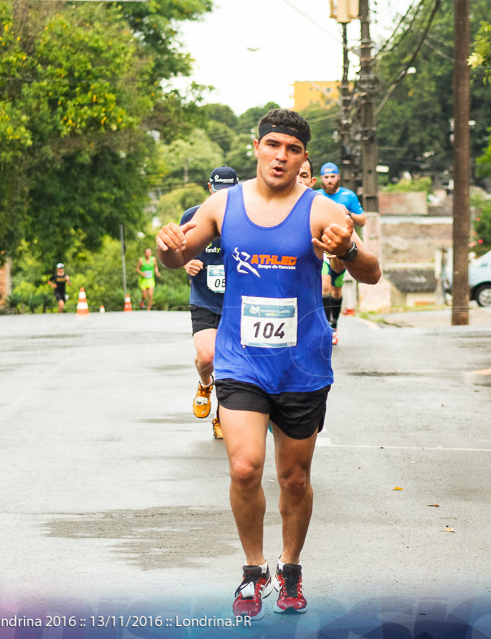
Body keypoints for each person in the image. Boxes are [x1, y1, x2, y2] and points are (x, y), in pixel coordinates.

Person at [156, 109, 381, 620]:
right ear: (256, 146)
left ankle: (291, 568)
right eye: (273, 144)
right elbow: (176, 257)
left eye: (293, 149)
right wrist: (167, 249)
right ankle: (254, 570)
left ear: (303, 157)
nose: (281, 155)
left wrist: (346, 250)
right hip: (241, 362)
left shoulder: (321, 211)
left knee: (295, 479)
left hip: (301, 365)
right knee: (243, 468)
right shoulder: (223, 205)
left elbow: (371, 272)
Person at [182, 165, 239, 440]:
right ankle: (205, 383)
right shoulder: (192, 216)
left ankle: (220, 417)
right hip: (204, 298)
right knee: (208, 357)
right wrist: (186, 263)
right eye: (218, 191)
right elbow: (181, 251)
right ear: (209, 188)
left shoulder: (245, 217)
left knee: (230, 367)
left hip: (236, 303)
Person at [313, 162, 365, 344]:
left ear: (338, 177)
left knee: (336, 289)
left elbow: (363, 220)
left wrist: (347, 212)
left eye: (332, 176)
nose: (329, 180)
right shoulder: (316, 196)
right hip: (322, 247)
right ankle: (326, 328)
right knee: (325, 285)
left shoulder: (348, 196)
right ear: (320, 179)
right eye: (326, 177)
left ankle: (334, 324)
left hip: (340, 248)